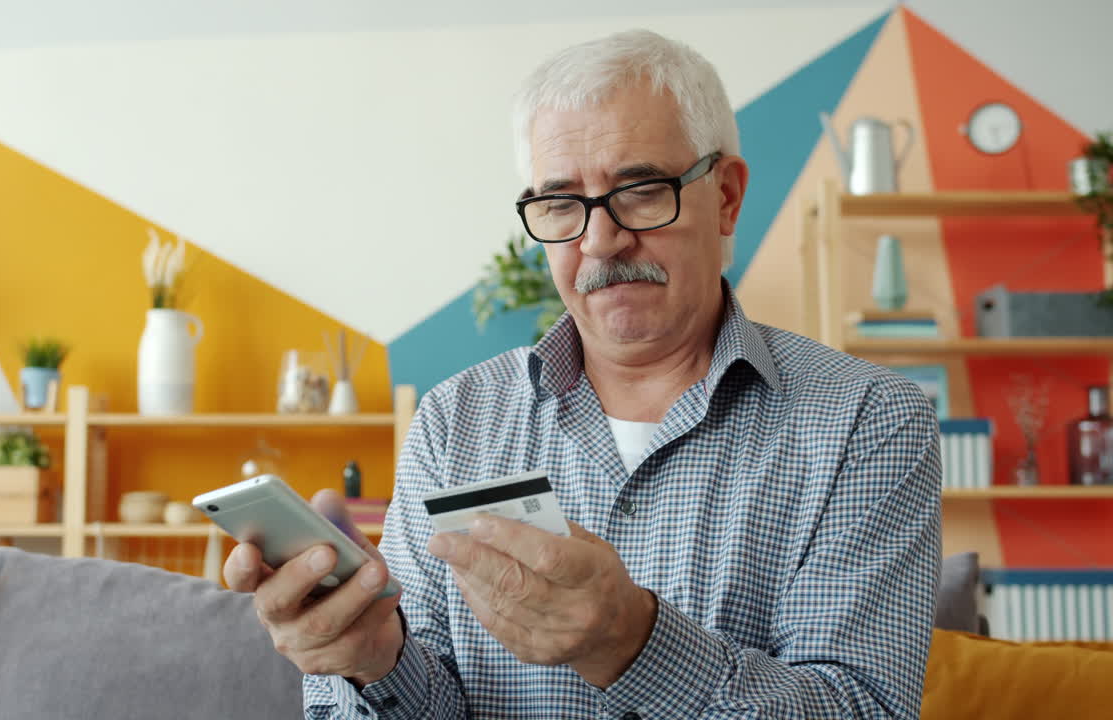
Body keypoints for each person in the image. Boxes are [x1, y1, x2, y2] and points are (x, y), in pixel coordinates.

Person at [225, 28, 941, 720]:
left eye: (640, 189)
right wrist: (376, 661)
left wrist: (633, 644)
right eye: (562, 203)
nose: (601, 239)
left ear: (725, 197)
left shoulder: (868, 421)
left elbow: (863, 709)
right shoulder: (453, 422)